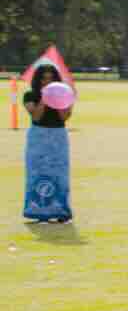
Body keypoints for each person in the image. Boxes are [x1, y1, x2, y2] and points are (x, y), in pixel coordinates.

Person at [21, 64, 73, 224]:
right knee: (37, 172)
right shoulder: (30, 95)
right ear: (38, 79)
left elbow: (64, 117)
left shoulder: (65, 95)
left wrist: (57, 99)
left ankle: (61, 211)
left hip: (58, 136)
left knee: (60, 174)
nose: (47, 81)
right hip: (38, 136)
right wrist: (45, 97)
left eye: (51, 78)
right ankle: (36, 210)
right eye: (44, 78)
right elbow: (36, 116)